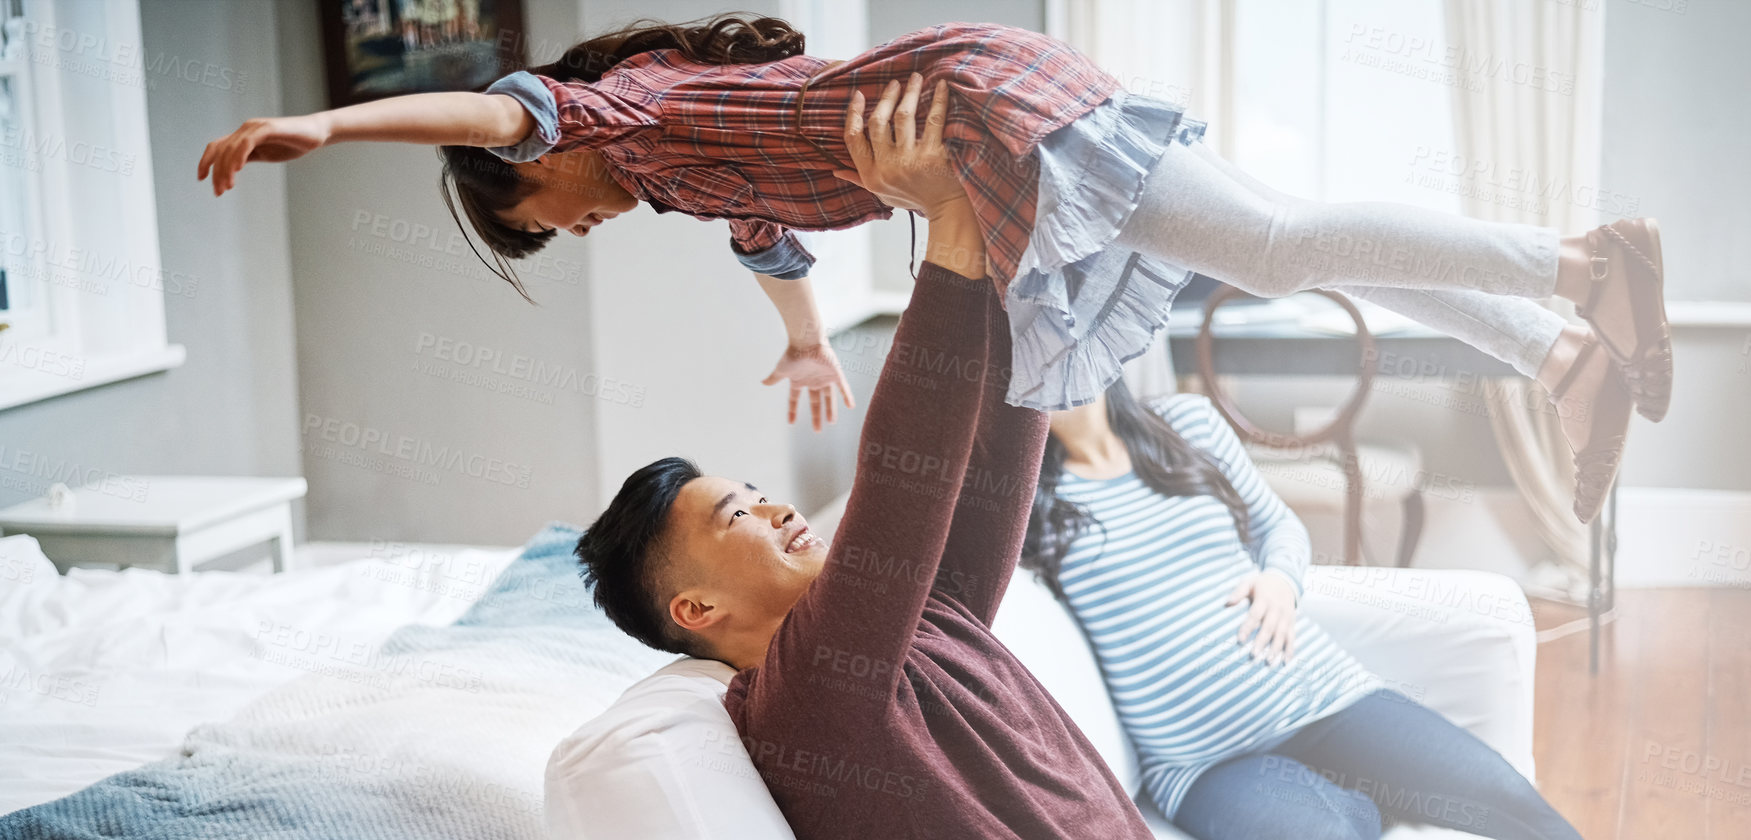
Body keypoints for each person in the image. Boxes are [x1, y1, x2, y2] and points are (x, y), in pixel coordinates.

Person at [568, 78, 1751, 840]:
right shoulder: (805, 693)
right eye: (734, 517)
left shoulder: (909, 630)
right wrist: (946, 234)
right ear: (693, 606)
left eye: (756, 490)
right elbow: (905, 475)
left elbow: (981, 484)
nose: (775, 509)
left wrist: (1009, 250)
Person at [199, 16, 1667, 520]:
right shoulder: (677, 164)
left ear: (535, 159)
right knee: (1261, 242)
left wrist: (326, 125)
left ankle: (1578, 260)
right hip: (977, 124)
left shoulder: (616, 108)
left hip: (981, 116)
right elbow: (770, 245)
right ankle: (1552, 352)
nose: (564, 228)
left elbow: (486, 103)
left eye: (540, 216)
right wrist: (801, 340)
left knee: (1272, 246)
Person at [1023, 376, 1748, 840]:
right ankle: (1371, 792)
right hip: (1206, 763)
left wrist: (1280, 579)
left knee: (1516, 806)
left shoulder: (1186, 426)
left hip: (1324, 695)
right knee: (1330, 837)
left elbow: (1279, 525)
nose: (1055, 358)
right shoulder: (1027, 495)